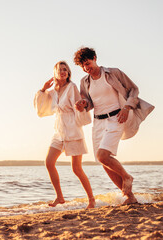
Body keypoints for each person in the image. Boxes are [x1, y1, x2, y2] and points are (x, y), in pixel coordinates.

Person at [74, 47, 154, 204]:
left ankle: (127, 176)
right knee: (104, 162)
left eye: (88, 63)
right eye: (83, 65)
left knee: (102, 156)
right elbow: (89, 103)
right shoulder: (85, 82)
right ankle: (130, 197)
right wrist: (83, 104)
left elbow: (133, 90)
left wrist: (126, 108)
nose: (86, 68)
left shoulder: (113, 73)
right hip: (98, 121)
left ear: (95, 58)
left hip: (117, 117)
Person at [34, 61, 95, 208]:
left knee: (77, 169)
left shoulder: (72, 87)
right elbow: (41, 105)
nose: (63, 72)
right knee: (49, 162)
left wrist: (81, 107)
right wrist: (43, 88)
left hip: (73, 129)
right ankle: (60, 197)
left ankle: (91, 199)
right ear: (55, 73)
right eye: (60, 69)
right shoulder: (53, 91)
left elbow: (79, 106)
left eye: (65, 69)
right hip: (59, 131)